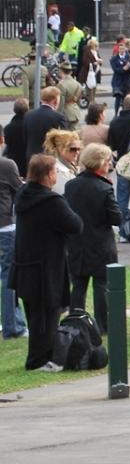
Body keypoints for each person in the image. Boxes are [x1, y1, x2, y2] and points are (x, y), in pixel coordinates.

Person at [12, 155, 83, 370]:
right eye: (54, 172)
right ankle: (39, 359)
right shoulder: (51, 201)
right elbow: (76, 225)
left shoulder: (23, 194)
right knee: (47, 315)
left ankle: (38, 356)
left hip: (26, 264)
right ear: (49, 174)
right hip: (47, 266)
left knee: (35, 314)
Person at [64, 144, 121, 334]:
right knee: (101, 285)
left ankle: (74, 323)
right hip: (100, 243)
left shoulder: (71, 185)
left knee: (78, 286)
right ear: (100, 163)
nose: (109, 164)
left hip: (77, 242)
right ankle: (103, 326)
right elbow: (116, 218)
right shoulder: (104, 187)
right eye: (107, 160)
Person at [0, 137, 22, 340]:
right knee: (8, 276)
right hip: (5, 226)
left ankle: (16, 322)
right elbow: (20, 191)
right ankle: (11, 325)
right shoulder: (7, 165)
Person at [22, 86, 66, 166]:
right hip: (49, 157)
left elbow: (24, 137)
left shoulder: (28, 115)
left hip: (31, 156)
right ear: (56, 101)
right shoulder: (58, 117)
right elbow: (64, 140)